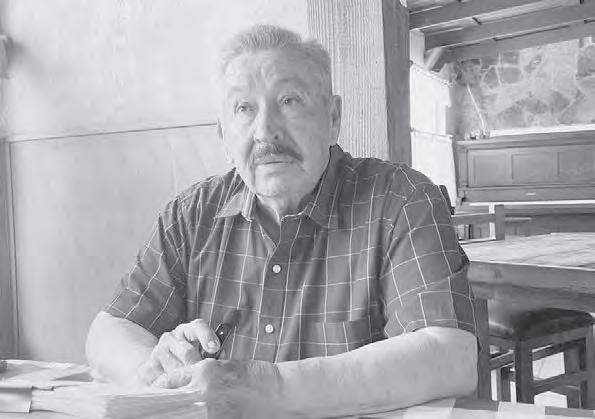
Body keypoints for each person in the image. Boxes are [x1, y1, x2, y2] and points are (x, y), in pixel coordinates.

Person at [86, 24, 478, 418]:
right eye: (244, 109)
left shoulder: (401, 200)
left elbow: (449, 357)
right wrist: (162, 371)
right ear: (223, 135)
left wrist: (265, 386)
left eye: (289, 101)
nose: (265, 132)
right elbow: (108, 332)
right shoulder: (190, 215)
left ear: (333, 117)